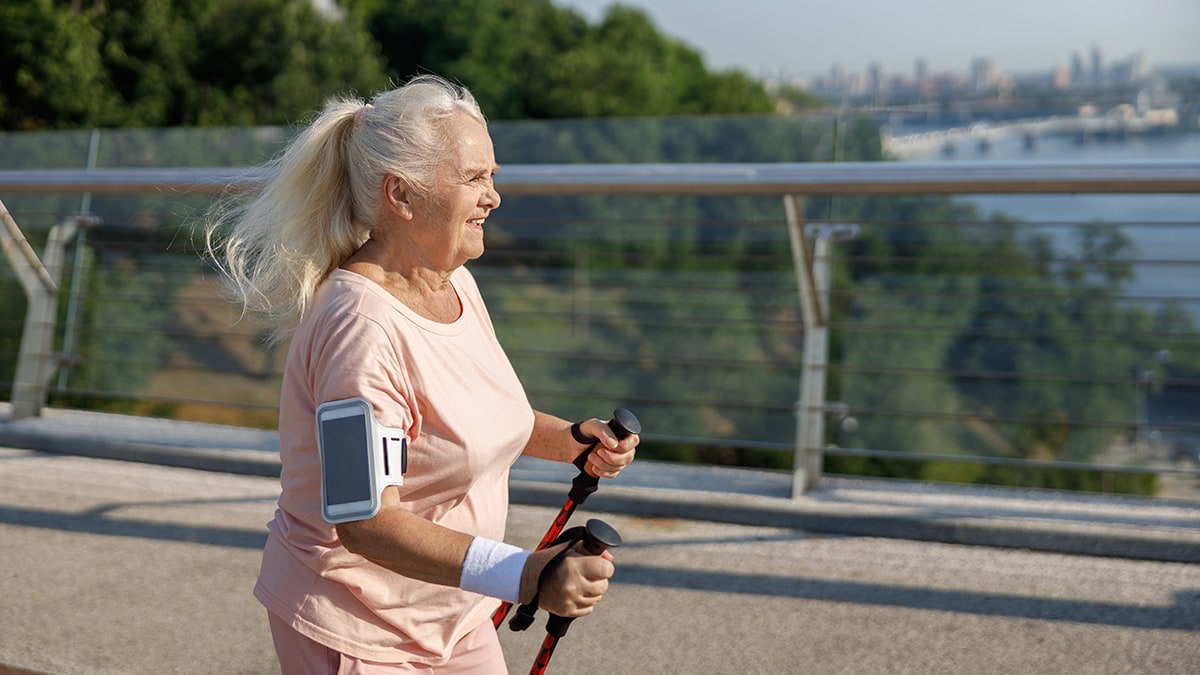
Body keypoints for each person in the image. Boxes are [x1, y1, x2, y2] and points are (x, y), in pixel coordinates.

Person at [203, 74, 638, 673]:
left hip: (452, 615)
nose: (494, 197)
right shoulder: (362, 329)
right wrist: (527, 574)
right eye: (473, 179)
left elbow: (466, 416)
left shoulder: (452, 279)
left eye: (493, 177)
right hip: (356, 626)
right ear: (401, 196)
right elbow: (364, 521)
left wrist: (568, 442)